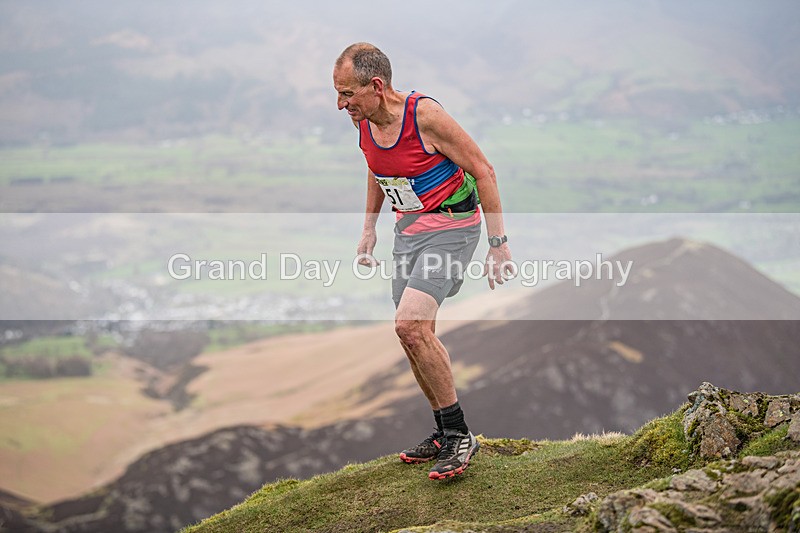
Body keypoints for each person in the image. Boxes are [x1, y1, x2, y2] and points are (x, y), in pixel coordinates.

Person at [333, 42, 513, 480]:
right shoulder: (365, 122)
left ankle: (459, 434)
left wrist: (498, 243)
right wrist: (369, 229)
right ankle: (442, 431)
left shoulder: (424, 116)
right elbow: (377, 170)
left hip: (453, 228)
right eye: (337, 94)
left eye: (347, 94)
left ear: (376, 86)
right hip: (409, 232)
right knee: (415, 333)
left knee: (409, 324)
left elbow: (484, 170)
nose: (340, 105)